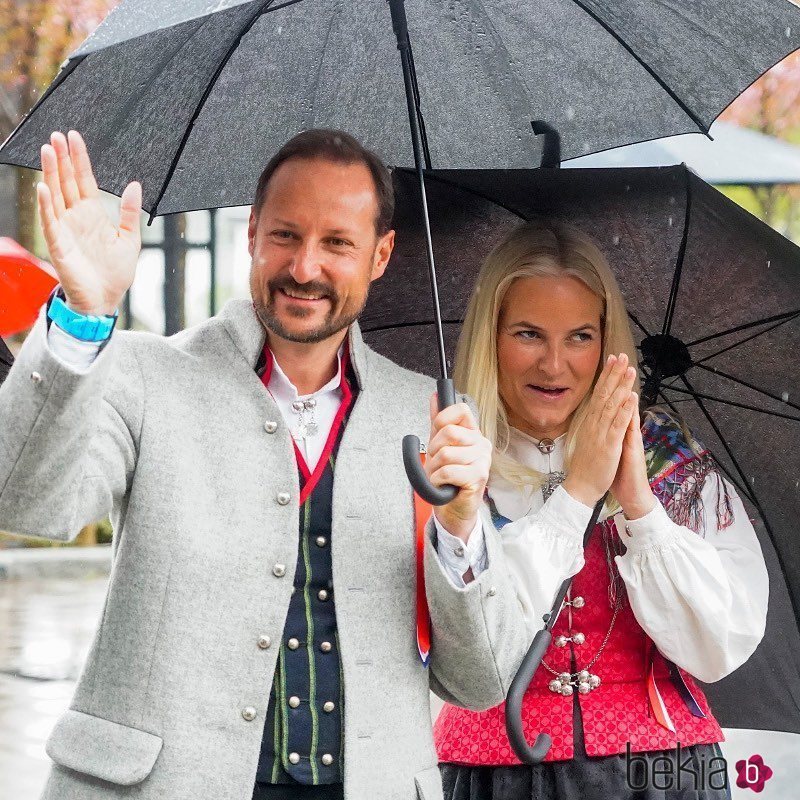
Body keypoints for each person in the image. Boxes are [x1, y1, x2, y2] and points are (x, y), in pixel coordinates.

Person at [0, 129, 529, 800]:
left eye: (338, 242)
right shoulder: (145, 375)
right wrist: (84, 311)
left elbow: (480, 680)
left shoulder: (426, 417)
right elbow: (24, 503)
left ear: (381, 254)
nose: (305, 267)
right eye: (285, 235)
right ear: (251, 233)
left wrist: (459, 525)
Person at [432, 221, 768, 800]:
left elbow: (718, 645)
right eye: (529, 334)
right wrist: (579, 492)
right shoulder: (452, 454)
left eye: (580, 337)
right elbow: (468, 644)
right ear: (491, 337)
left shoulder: (667, 456)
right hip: (493, 774)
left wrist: (638, 503)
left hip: (659, 773)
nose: (555, 365)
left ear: (607, 341)